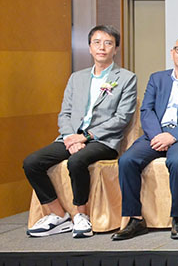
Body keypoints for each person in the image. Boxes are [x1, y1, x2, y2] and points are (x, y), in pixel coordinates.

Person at [24, 25, 137, 238]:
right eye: (97, 42)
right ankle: (59, 215)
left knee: (77, 161)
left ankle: (81, 215)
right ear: (89, 47)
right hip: (71, 137)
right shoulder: (77, 78)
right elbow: (65, 113)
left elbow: (121, 118)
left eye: (108, 43)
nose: (102, 47)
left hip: (103, 140)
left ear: (116, 49)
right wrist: (70, 137)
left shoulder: (126, 78)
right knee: (32, 163)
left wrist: (85, 137)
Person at [114, 36, 178, 241]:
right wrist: (157, 136)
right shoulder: (157, 78)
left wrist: (172, 136)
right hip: (156, 134)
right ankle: (135, 218)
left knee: (177, 160)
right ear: (172, 53)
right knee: (127, 160)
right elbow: (147, 109)